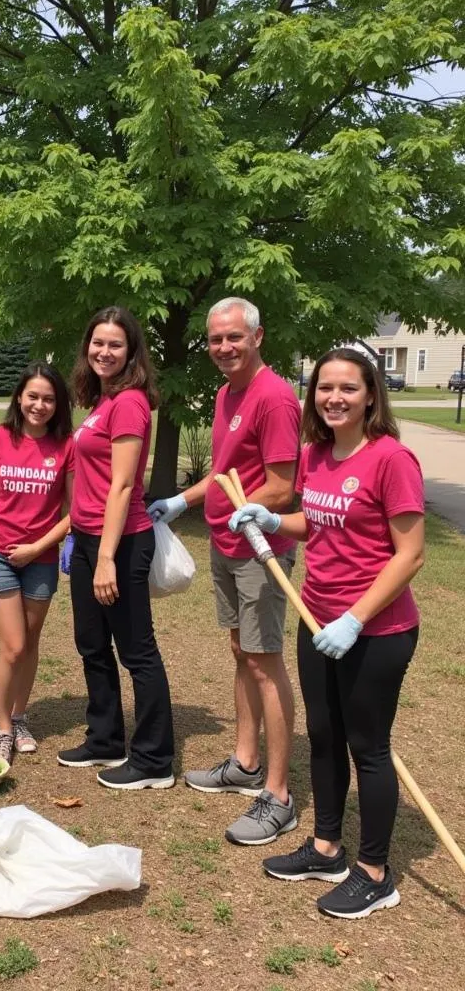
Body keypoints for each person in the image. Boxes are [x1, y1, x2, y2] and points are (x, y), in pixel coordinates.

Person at [230, 348, 424, 919]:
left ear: (370, 396)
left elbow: (410, 555)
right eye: (324, 388)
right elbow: (313, 523)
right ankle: (325, 848)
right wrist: (272, 520)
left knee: (369, 748)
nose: (334, 398)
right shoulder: (315, 454)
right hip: (317, 620)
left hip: (376, 629)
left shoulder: (392, 459)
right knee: (323, 736)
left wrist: (357, 618)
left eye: (348, 388)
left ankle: (374, 873)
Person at [148, 296, 301, 846]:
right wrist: (181, 501)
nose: (224, 348)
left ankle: (277, 796)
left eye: (234, 337)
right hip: (224, 543)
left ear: (258, 337)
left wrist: (251, 511)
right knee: (242, 652)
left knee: (265, 663)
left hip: (258, 546)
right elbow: (223, 471)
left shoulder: (276, 398)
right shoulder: (227, 393)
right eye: (215, 339)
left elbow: (282, 484)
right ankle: (245, 762)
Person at [58, 306, 176, 790]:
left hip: (121, 542)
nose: (104, 352)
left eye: (115, 345)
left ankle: (154, 760)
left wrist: (106, 556)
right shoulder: (101, 401)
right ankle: (105, 737)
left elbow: (125, 484)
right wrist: (78, 538)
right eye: (98, 343)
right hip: (88, 538)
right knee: (91, 643)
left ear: (131, 353)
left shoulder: (129, 402)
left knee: (137, 650)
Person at [0, 363, 74, 763]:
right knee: (11, 646)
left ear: (58, 404)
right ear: (19, 397)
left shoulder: (66, 445)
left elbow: (72, 509)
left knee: (30, 643)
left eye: (48, 398)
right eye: (33, 396)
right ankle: (1, 727)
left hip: (40, 558)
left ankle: (20, 716)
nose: (40, 405)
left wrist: (45, 546)